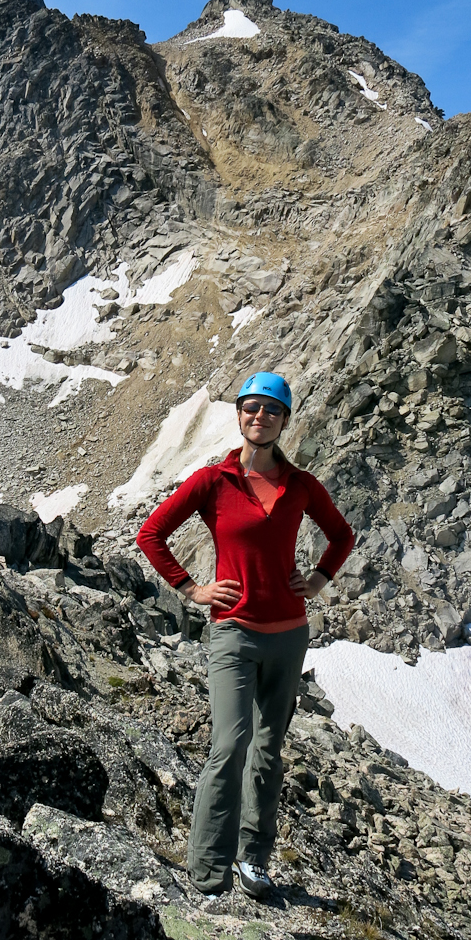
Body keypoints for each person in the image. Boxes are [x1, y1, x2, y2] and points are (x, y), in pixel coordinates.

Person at [135, 371, 354, 900]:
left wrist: (318, 580)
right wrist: (192, 588)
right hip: (232, 632)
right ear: (238, 415)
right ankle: (208, 866)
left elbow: (341, 535)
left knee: (269, 750)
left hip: (288, 635)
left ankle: (253, 858)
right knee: (230, 744)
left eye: (272, 410)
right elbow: (151, 534)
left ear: (284, 421)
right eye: (252, 408)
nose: (261, 417)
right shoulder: (213, 481)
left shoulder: (300, 485)